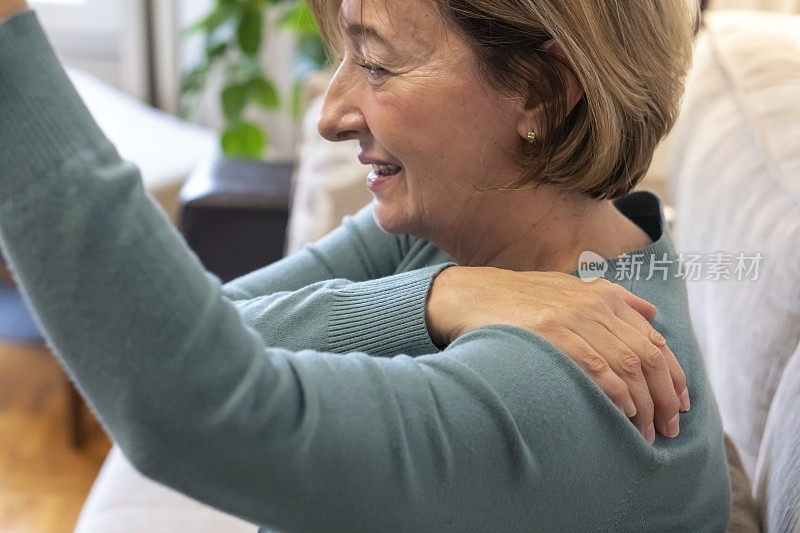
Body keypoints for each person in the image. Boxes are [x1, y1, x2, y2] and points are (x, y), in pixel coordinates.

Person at [0, 0, 731, 530]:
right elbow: (198, 324)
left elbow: (182, 397)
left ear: (541, 91)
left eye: (377, 63)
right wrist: (435, 293)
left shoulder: (584, 390)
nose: (330, 114)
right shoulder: (456, 230)